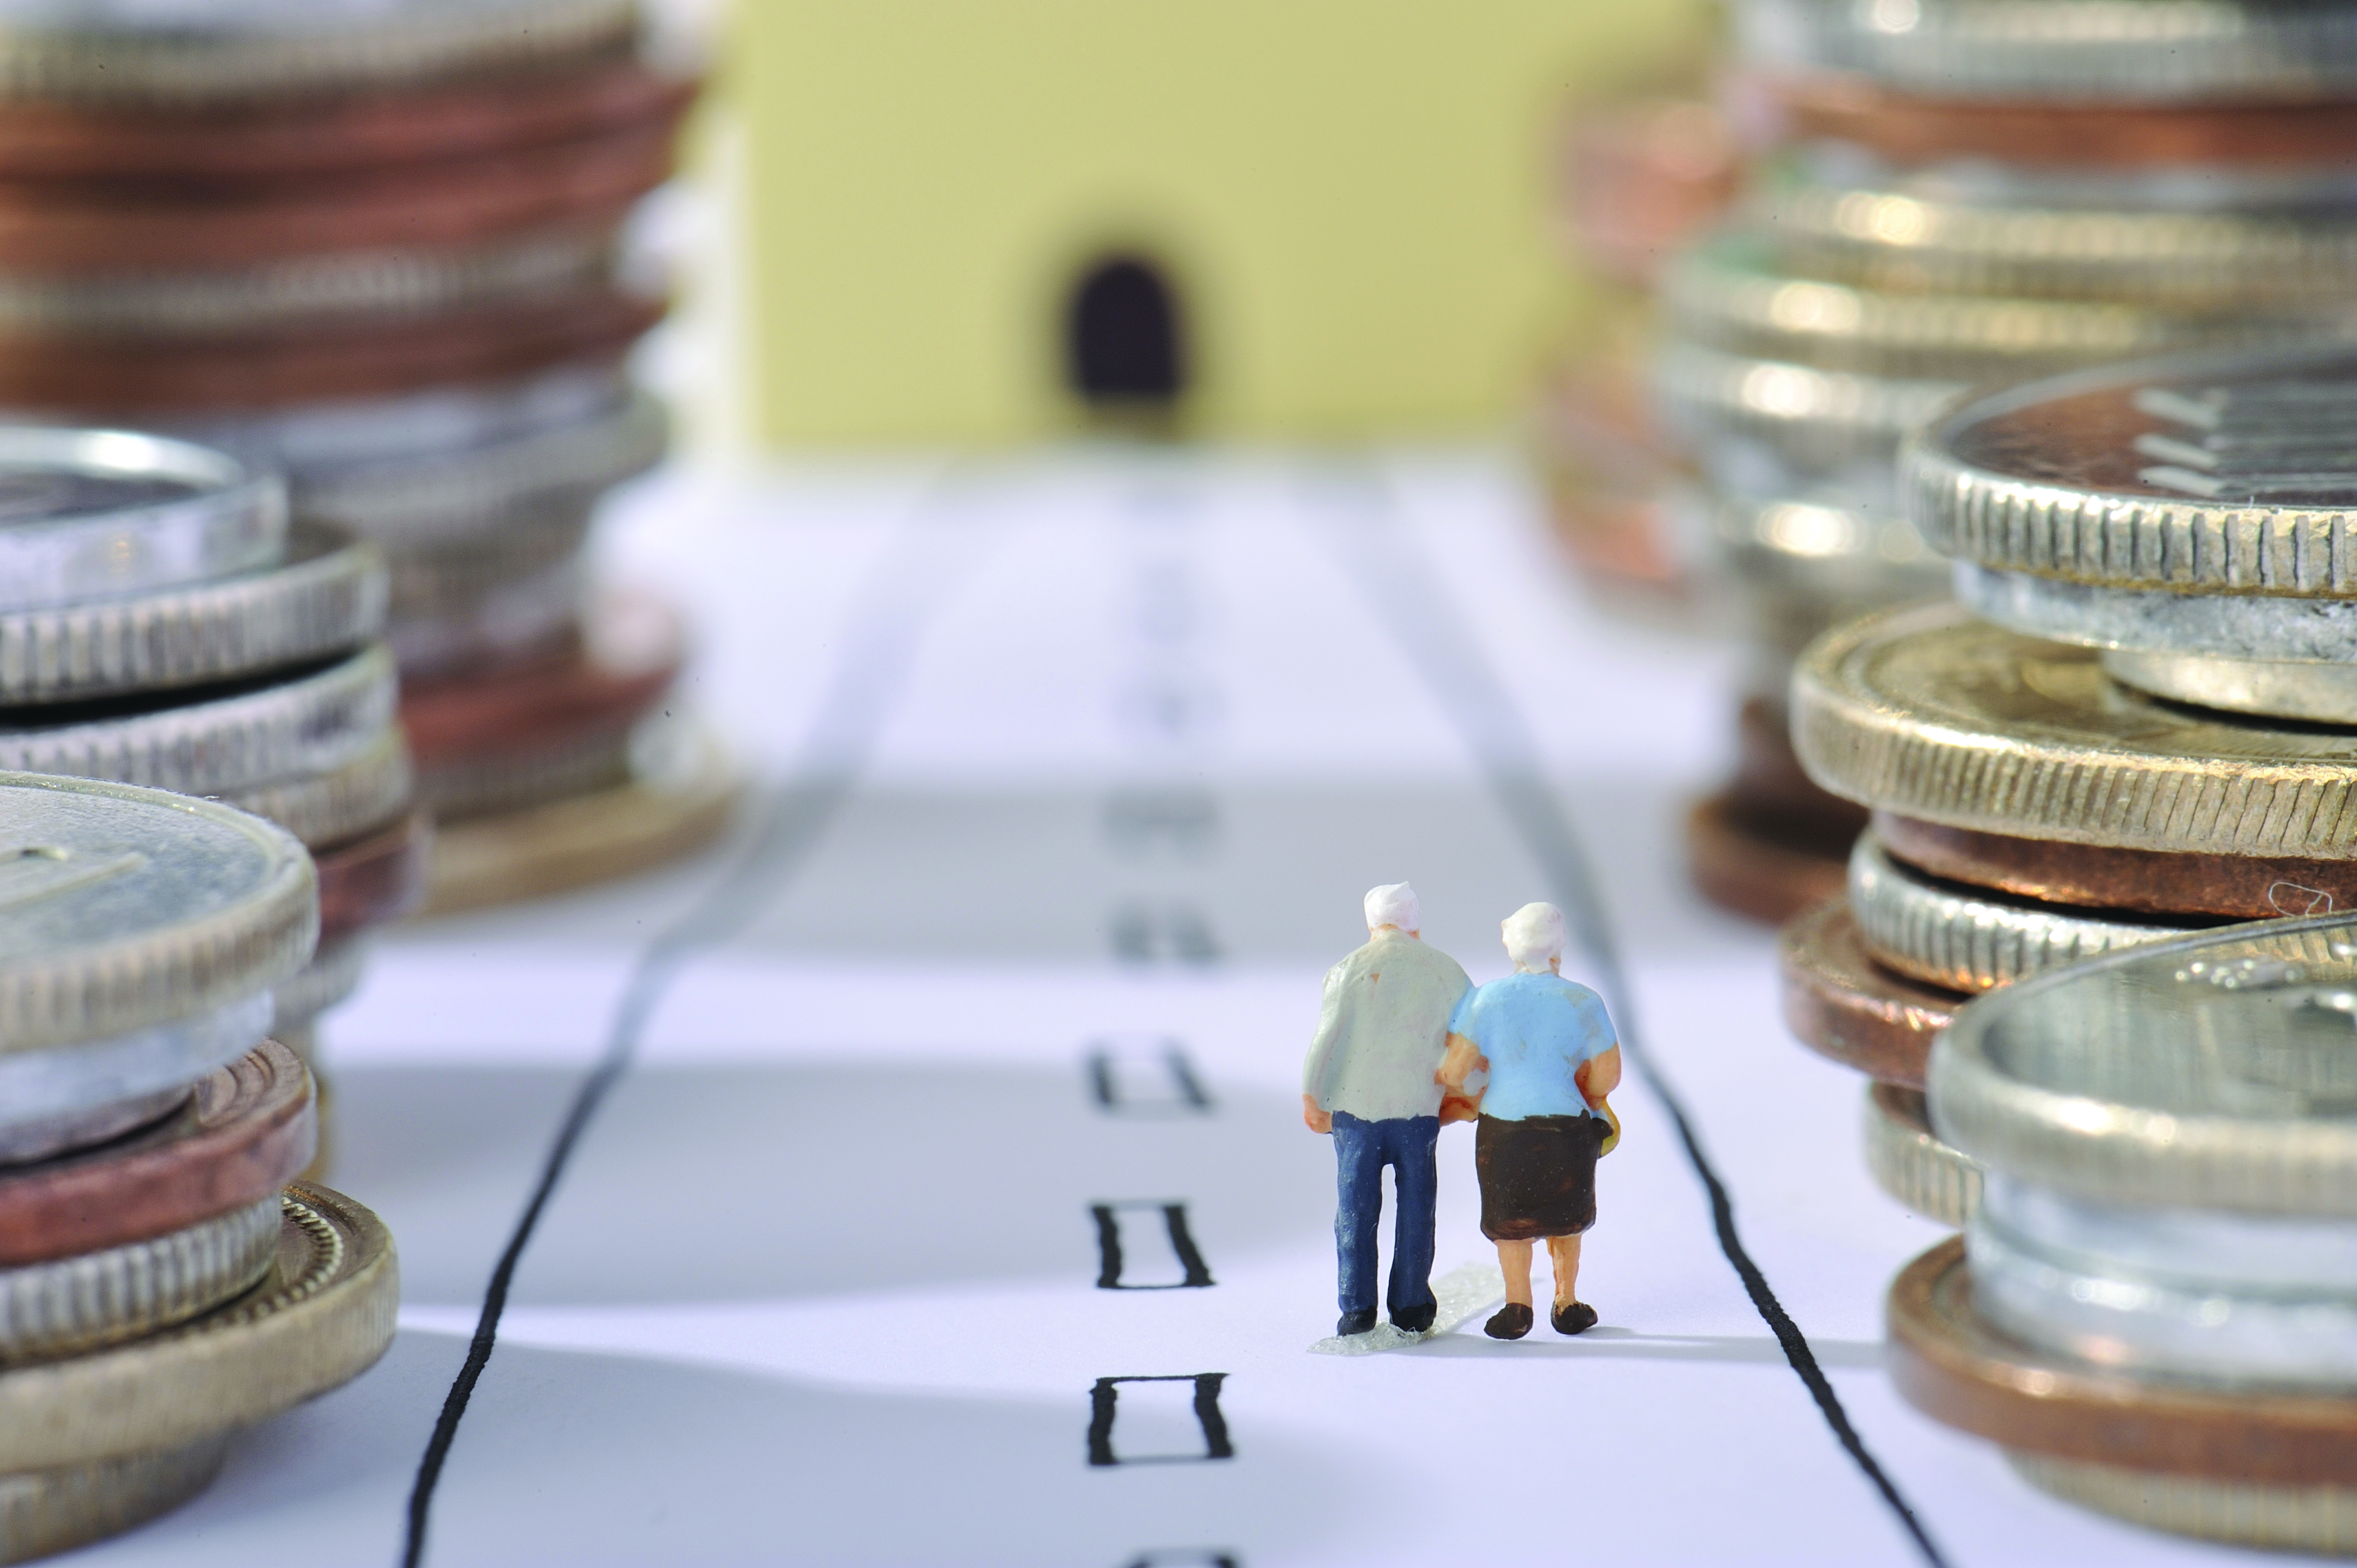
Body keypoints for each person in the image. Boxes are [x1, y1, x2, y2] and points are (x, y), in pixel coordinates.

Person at [1439, 901, 1621, 1340]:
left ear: (1511, 946)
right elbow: (1607, 1075)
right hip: (1567, 1127)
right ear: (1559, 948)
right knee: (1567, 1219)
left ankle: (1517, 1305)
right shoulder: (1584, 1001)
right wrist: (1588, 1093)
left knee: (1512, 1225)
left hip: (1505, 1128)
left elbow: (1454, 1072)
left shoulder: (1486, 1000)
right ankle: (1567, 1301)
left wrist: (1476, 1085)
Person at [1302, 881, 1471, 1337]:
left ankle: (1357, 1309)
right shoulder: (1446, 971)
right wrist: (1470, 1096)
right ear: (1415, 920)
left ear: (1370, 921)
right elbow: (1468, 1043)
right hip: (1418, 1110)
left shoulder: (1348, 969)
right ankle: (1412, 1306)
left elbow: (1327, 1040)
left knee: (1354, 1212)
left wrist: (1311, 1096)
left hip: (1356, 1114)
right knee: (1417, 1209)